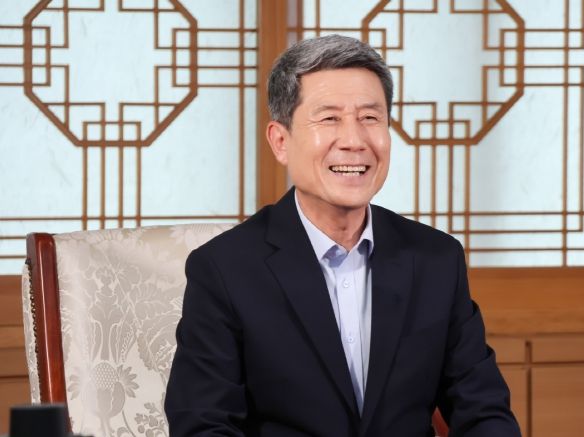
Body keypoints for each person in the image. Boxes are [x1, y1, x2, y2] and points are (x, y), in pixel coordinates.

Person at [165, 34, 521, 437]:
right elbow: (203, 425)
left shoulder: (437, 259)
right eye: (329, 119)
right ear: (280, 141)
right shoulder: (224, 269)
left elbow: (484, 410)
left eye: (370, 118)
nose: (354, 141)